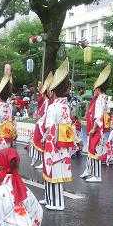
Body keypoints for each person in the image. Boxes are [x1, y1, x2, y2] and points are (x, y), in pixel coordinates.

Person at [41, 58, 74, 210]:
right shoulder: (66, 107)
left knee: (52, 173)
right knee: (57, 172)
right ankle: (50, 199)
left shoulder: (53, 107)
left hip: (53, 144)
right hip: (63, 144)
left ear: (52, 91)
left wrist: (43, 138)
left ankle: (56, 202)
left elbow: (49, 127)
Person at [81, 64, 111, 182]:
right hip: (102, 128)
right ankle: (90, 171)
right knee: (93, 149)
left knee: (95, 150)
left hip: (98, 128)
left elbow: (98, 116)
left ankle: (97, 176)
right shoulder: (105, 98)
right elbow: (106, 113)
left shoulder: (99, 99)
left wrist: (93, 128)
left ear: (98, 89)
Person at [31, 72, 53, 168]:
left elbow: (45, 115)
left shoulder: (48, 102)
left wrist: (40, 124)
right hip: (41, 124)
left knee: (41, 143)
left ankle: (43, 162)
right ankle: (36, 160)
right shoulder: (45, 101)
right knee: (36, 142)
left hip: (43, 125)